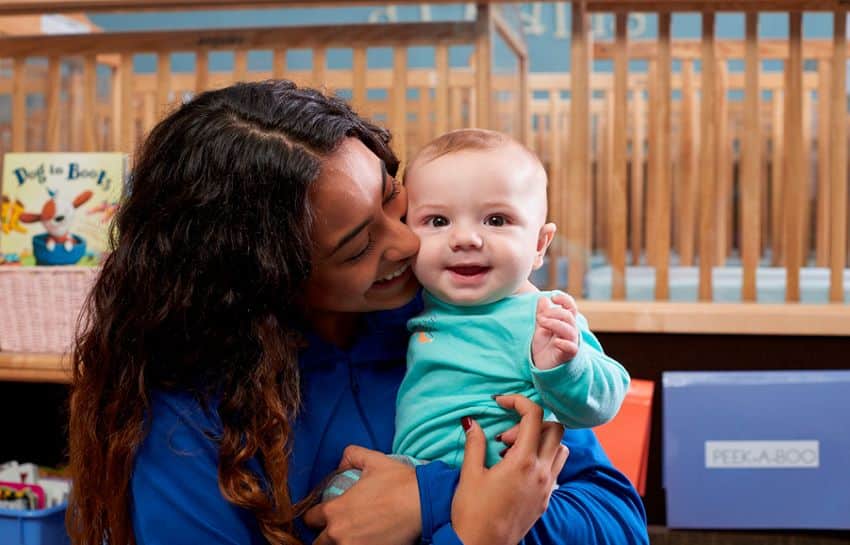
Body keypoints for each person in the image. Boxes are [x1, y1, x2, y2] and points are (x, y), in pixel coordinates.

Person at [67, 80, 648, 545]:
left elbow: (618, 521)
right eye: (357, 246)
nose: (405, 244)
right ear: (269, 279)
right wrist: (474, 530)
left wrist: (431, 497)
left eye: (394, 199)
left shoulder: (472, 318)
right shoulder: (189, 417)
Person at [324, 129, 630, 499]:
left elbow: (605, 399)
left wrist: (564, 366)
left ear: (539, 245)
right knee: (340, 497)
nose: (465, 238)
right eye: (438, 221)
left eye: (496, 220)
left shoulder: (543, 316)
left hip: (497, 475)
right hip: (412, 470)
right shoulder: (415, 304)